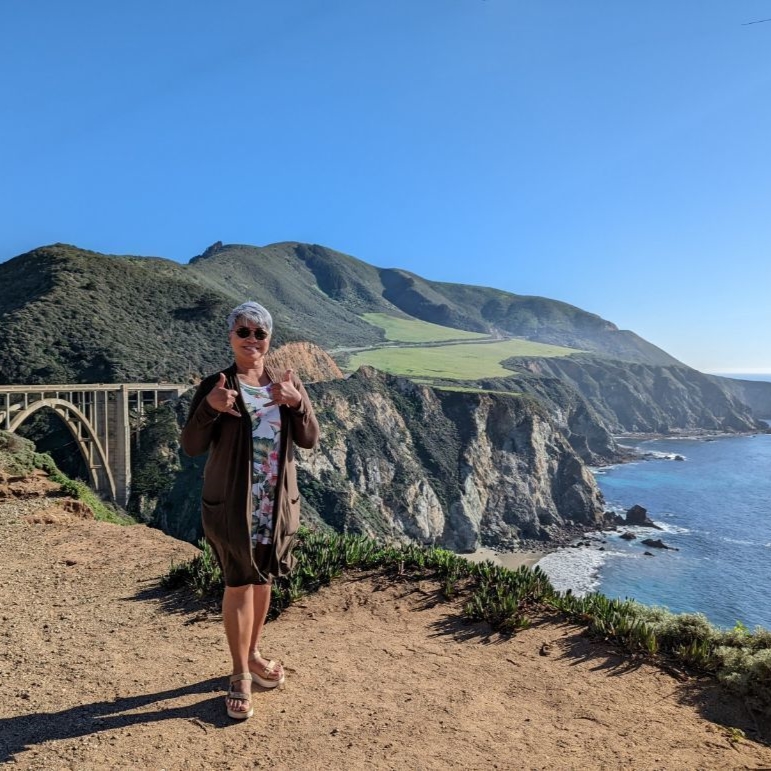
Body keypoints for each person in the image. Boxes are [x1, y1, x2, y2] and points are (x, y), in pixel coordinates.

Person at [181, 300, 319, 719]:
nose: (252, 340)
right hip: (233, 504)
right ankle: (240, 673)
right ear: (231, 336)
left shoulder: (285, 382)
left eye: (260, 333)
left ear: (269, 339)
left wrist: (297, 403)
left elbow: (309, 438)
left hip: (274, 503)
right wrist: (210, 408)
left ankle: (254, 653)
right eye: (243, 331)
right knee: (239, 582)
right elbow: (191, 446)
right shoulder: (216, 384)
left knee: (263, 580)